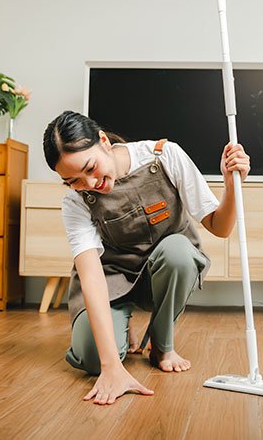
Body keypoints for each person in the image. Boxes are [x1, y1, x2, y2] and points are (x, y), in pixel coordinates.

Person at [42, 111, 250, 405]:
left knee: (178, 252)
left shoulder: (165, 156)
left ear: (103, 140)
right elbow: (91, 278)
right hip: (112, 278)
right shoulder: (76, 203)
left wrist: (231, 183)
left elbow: (220, 226)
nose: (90, 182)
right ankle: (122, 331)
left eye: (91, 167)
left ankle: (161, 344)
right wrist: (111, 367)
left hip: (163, 270)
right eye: (73, 180)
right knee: (91, 358)